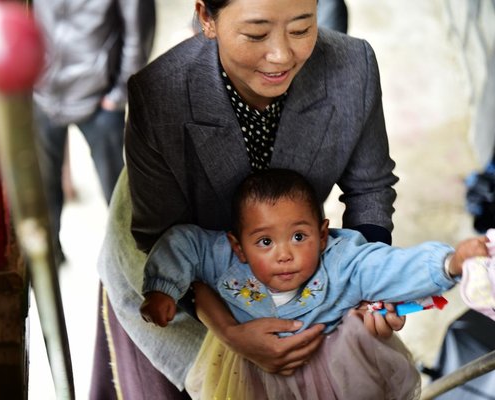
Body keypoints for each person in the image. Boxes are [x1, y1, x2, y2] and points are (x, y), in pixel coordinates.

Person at [95, 0, 402, 397]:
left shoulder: (352, 66)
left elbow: (370, 188)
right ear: (207, 18)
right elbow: (163, 239)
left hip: (284, 261)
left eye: (301, 28)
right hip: (175, 284)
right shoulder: (160, 93)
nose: (281, 56)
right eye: (256, 34)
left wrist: (369, 286)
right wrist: (230, 332)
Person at [139, 168, 489, 399]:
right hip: (253, 381)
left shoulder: (341, 263)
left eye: (299, 236)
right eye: (264, 242)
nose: (284, 254)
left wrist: (449, 262)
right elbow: (183, 243)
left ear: (323, 235)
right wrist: (161, 288)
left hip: (334, 377)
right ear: (238, 246)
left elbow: (388, 266)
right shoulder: (223, 260)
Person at [32, 0, 156, 264]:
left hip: (100, 99)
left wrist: (118, 95)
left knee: (117, 191)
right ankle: (51, 257)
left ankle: (130, 263)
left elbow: (139, 33)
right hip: (44, 94)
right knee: (45, 185)